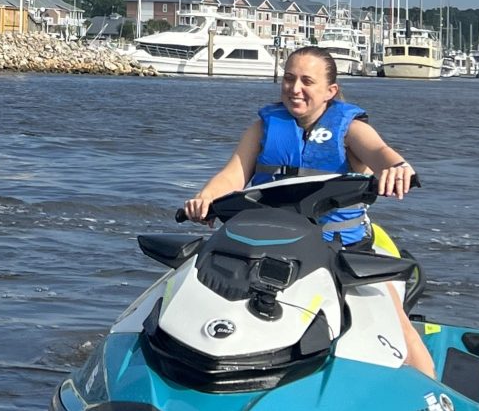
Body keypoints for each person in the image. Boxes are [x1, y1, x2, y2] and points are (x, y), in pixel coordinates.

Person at [182, 45, 435, 378]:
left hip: (342, 249)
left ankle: (432, 389)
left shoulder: (351, 129)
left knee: (396, 326)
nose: (294, 88)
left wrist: (398, 168)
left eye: (306, 81)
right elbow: (233, 175)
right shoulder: (264, 128)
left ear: (330, 91)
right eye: (289, 79)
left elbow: (381, 153)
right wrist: (206, 197)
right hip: (273, 246)